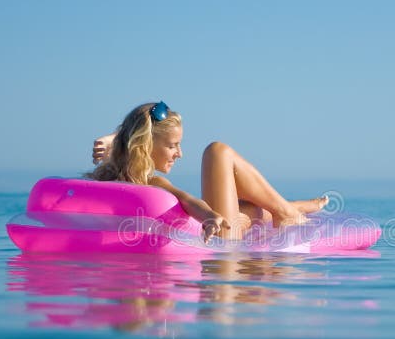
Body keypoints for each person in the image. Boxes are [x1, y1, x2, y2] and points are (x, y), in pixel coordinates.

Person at [88, 101, 327, 242]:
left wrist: (210, 217)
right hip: (220, 241)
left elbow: (191, 202)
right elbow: (188, 200)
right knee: (217, 152)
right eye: (172, 146)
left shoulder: (144, 180)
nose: (179, 153)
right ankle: (289, 209)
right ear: (145, 146)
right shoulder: (150, 183)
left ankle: (292, 208)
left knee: (250, 210)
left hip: (217, 227)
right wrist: (210, 218)